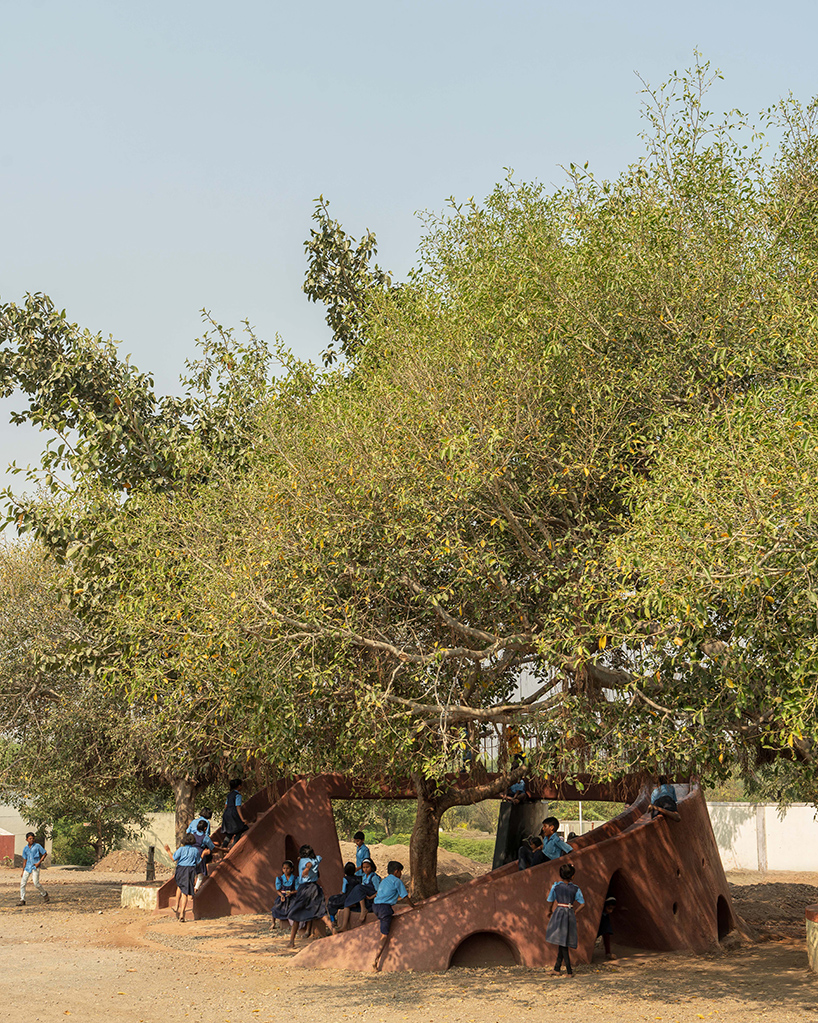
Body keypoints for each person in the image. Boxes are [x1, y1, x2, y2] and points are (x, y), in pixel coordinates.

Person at [285, 844, 336, 947]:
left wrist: (307, 869)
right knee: (321, 912)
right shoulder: (316, 859)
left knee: (296, 914)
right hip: (315, 888)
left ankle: (291, 941)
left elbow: (308, 864)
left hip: (305, 889)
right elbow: (318, 858)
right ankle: (334, 931)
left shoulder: (304, 861)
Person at [372, 860, 414, 972]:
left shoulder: (384, 880)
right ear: (396, 871)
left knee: (385, 920)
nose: (401, 874)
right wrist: (413, 907)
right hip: (384, 908)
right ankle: (375, 960)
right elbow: (405, 896)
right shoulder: (397, 881)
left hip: (375, 906)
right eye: (400, 872)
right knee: (384, 936)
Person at [546, 862, 585, 978]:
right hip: (569, 914)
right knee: (563, 942)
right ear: (572, 876)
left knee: (562, 942)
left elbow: (550, 900)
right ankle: (557, 969)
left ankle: (569, 971)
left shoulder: (555, 887)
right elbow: (583, 903)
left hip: (558, 913)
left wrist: (549, 911)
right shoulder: (576, 888)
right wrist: (575, 911)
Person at [163, 834, 202, 922]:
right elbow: (198, 861)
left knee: (180, 887)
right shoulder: (195, 850)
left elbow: (173, 859)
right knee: (184, 890)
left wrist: (168, 850)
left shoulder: (181, 849)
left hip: (181, 869)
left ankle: (179, 909)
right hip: (190, 870)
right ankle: (180, 910)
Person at [338, 857, 381, 929]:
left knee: (359, 887)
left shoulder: (374, 877)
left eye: (367, 867)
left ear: (372, 867)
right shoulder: (364, 877)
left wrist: (371, 897)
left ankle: (363, 909)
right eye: (364, 867)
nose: (365, 869)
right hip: (364, 898)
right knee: (347, 905)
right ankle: (344, 926)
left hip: (371, 899)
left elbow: (379, 891)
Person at [17, 832, 49, 906]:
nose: (31, 840)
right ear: (26, 840)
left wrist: (39, 862)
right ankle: (22, 899)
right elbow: (24, 860)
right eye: (30, 839)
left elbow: (44, 853)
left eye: (33, 838)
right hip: (27, 867)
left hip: (35, 866)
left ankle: (44, 894)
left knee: (36, 883)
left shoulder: (37, 846)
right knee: (23, 883)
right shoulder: (25, 849)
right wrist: (23, 871)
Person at [271, 859, 298, 930]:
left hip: (292, 897)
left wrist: (291, 893)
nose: (286, 870)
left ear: (292, 869)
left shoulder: (295, 879)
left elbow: (297, 890)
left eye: (288, 868)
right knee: (275, 908)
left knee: (293, 908)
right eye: (284, 868)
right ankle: (273, 923)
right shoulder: (279, 879)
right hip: (283, 897)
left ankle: (292, 924)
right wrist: (281, 896)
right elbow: (278, 890)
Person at [192, 819, 217, 892]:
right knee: (200, 873)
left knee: (192, 870)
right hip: (200, 853)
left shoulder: (193, 835)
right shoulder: (205, 837)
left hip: (191, 852)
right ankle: (196, 888)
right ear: (205, 828)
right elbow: (212, 847)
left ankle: (190, 887)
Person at [221, 779, 249, 847]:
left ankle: (223, 847)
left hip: (227, 814)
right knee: (241, 829)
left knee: (229, 833)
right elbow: (238, 807)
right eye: (241, 785)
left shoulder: (229, 795)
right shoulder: (238, 795)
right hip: (233, 814)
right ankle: (233, 847)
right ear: (239, 786)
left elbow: (225, 806)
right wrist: (242, 819)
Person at [597, 895, 616, 960]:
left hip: (603, 925)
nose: (610, 911)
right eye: (609, 908)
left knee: (606, 934)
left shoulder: (606, 916)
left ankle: (608, 953)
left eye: (612, 909)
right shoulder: (600, 915)